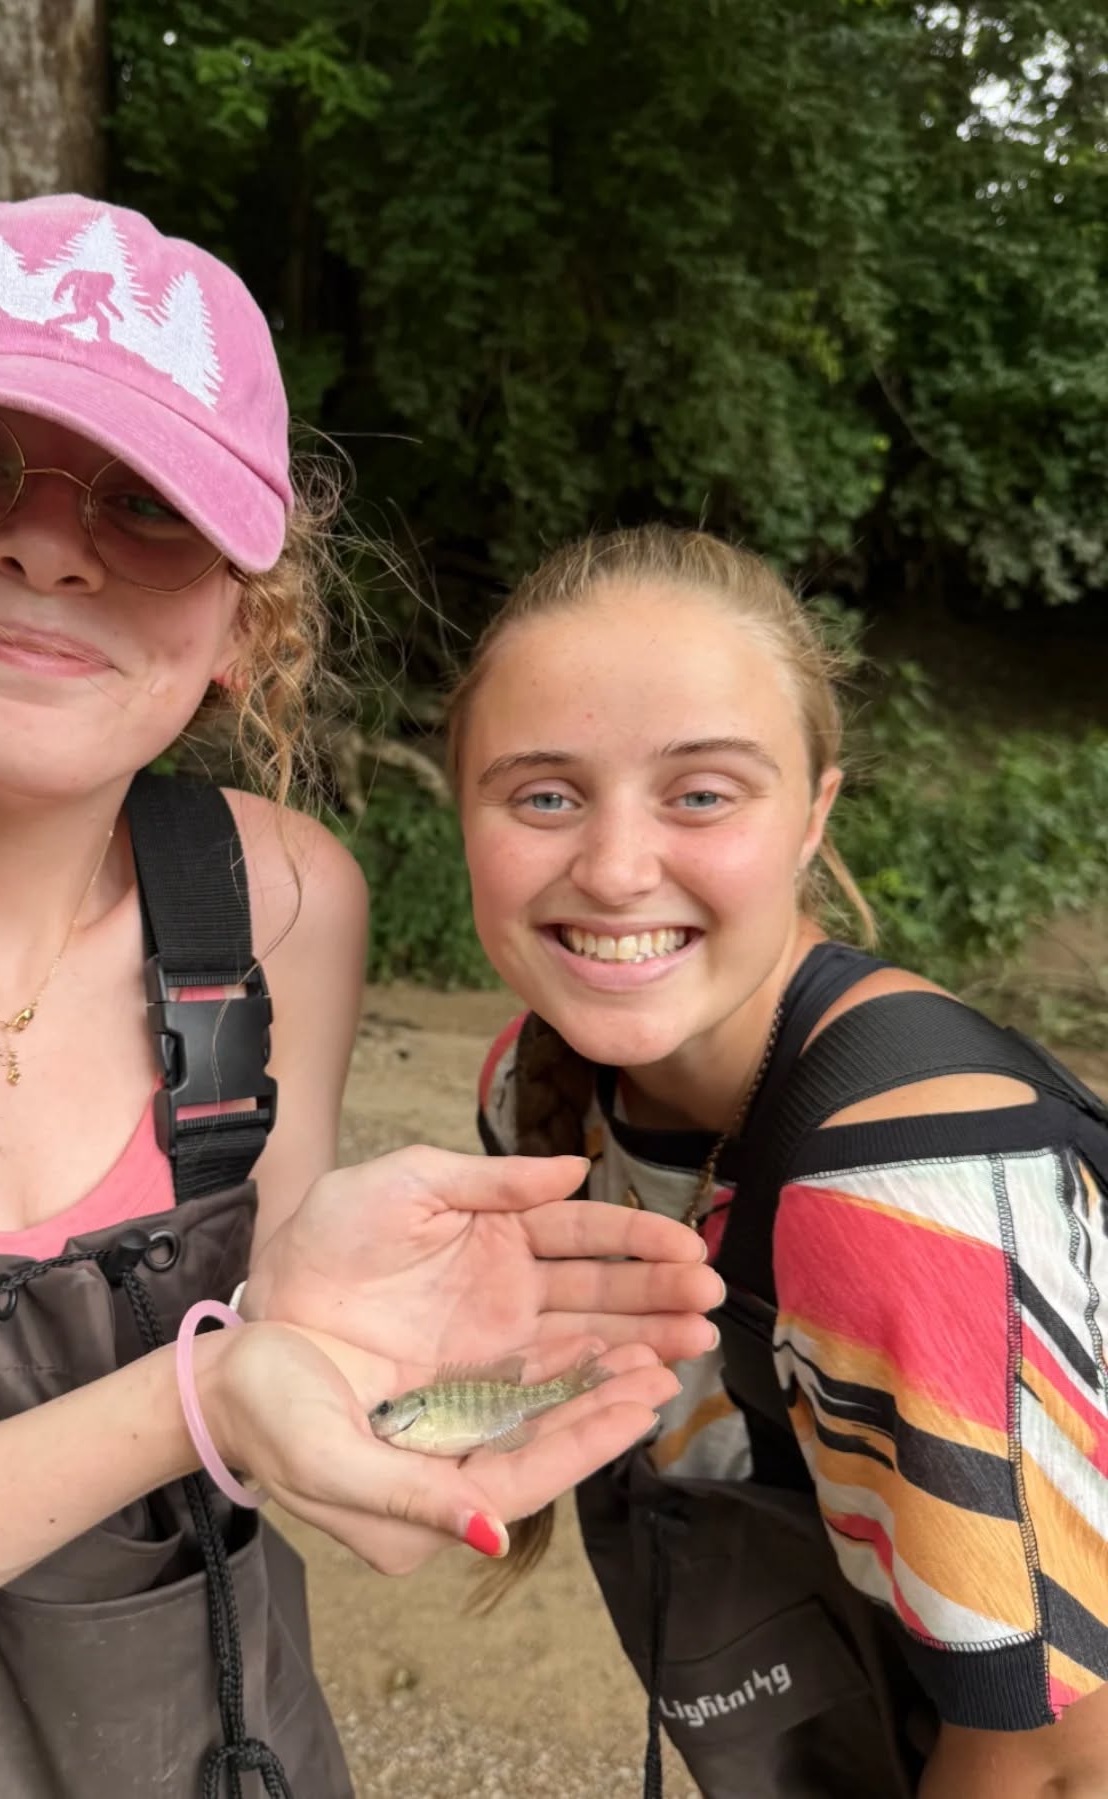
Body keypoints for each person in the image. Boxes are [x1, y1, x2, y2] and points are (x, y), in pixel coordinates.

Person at [0, 201, 723, 1796]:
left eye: (147, 501)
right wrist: (204, 1390)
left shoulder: (281, 904)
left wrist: (380, 1400)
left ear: (246, 625)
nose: (47, 540)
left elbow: (281, 1385)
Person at [452, 525, 1108, 1799]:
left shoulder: (893, 1198)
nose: (616, 866)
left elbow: (1057, 1756)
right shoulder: (529, 1094)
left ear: (814, 814)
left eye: (702, 791)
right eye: (543, 793)